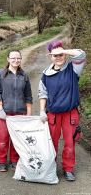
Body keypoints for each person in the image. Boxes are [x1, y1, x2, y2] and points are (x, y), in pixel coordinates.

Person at [38, 40, 86, 181]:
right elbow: (42, 94)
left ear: (64, 55)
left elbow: (81, 54)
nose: (58, 57)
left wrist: (62, 50)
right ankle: (51, 168)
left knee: (69, 143)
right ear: (50, 56)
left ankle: (68, 169)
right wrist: (42, 111)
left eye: (61, 55)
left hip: (70, 113)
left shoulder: (74, 69)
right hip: (53, 114)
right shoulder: (46, 74)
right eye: (55, 55)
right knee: (51, 142)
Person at [0, 50, 32, 172]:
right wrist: (0, 109)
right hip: (5, 113)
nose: (16, 60)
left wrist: (28, 113)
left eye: (18, 58)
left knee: (17, 139)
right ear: (8, 59)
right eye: (13, 58)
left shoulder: (24, 75)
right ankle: (2, 161)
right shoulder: (0, 74)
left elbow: (28, 95)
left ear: (20, 59)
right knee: (3, 138)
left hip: (20, 112)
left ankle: (14, 160)